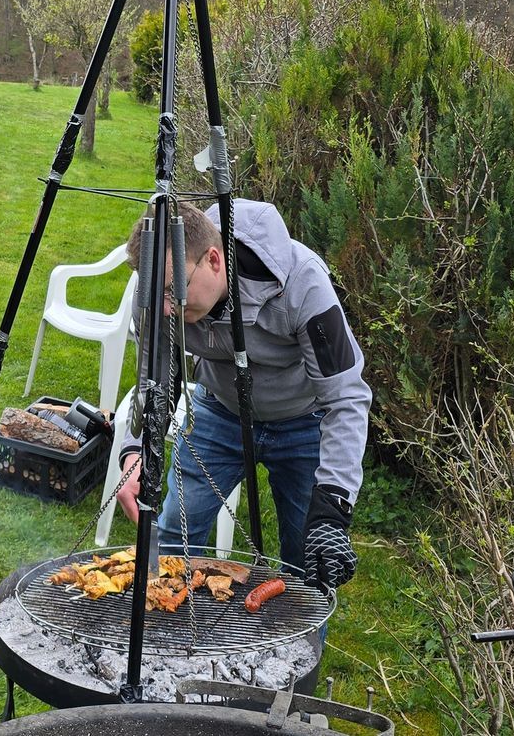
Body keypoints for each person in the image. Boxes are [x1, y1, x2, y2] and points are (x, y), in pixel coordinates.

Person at [113, 200, 369, 592]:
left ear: (214, 260)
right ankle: (167, 626)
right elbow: (154, 381)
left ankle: (297, 629)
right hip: (219, 410)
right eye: (154, 294)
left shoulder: (303, 283)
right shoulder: (155, 299)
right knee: (174, 539)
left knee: (307, 559)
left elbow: (345, 397)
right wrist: (136, 452)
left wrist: (333, 509)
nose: (164, 309)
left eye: (171, 292)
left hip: (304, 420)